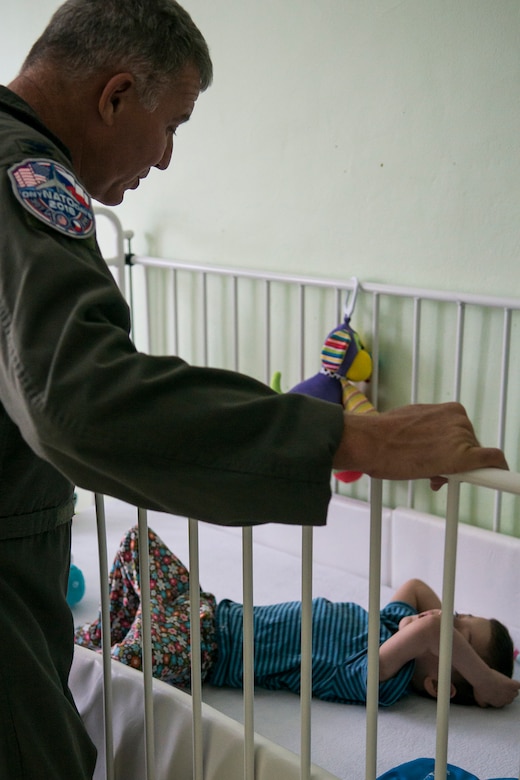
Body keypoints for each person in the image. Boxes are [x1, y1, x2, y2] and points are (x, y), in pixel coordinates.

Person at [0, 0, 509, 777]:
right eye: (173, 123)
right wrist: (360, 436)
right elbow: (79, 399)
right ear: (115, 95)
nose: (166, 158)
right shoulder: (23, 177)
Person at [75, 526, 520, 709]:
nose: (445, 616)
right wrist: (428, 622)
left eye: (459, 634)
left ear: (438, 685)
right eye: (460, 615)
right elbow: (421, 592)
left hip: (201, 648)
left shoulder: (383, 677)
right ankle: (100, 634)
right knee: (137, 541)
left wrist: (485, 681)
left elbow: (430, 629)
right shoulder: (397, 623)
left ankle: (86, 650)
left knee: (113, 668)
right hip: (209, 608)